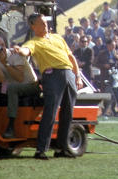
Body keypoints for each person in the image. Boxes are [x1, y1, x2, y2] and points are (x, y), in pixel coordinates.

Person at [20, 14, 82, 159]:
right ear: (33, 26)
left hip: (69, 74)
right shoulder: (34, 42)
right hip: (52, 75)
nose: (45, 25)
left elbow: (71, 57)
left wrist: (77, 75)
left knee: (68, 113)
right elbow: (26, 50)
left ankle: (63, 148)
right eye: (41, 23)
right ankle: (41, 150)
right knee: (50, 112)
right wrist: (19, 50)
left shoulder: (57, 37)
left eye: (45, 22)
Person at [0, 36, 41, 138]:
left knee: (12, 88)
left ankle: (11, 127)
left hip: (30, 85)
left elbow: (20, 78)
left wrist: (5, 63)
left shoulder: (15, 54)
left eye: (2, 45)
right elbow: (1, 79)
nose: (1, 48)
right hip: (12, 85)